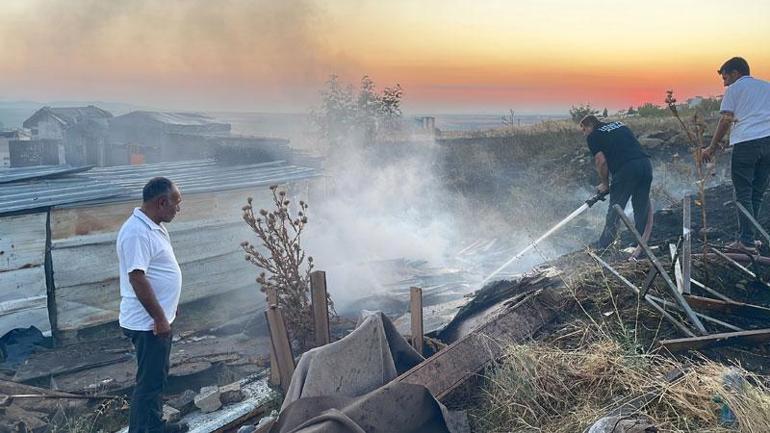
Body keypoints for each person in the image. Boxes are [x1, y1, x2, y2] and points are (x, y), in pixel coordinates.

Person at [117, 177, 187, 433]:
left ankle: (154, 426)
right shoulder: (136, 233)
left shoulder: (153, 226)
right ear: (162, 202)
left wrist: (169, 305)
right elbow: (137, 278)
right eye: (176, 203)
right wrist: (159, 317)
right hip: (146, 323)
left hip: (155, 317)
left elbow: (157, 272)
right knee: (149, 382)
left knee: (156, 377)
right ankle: (143, 430)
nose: (178, 209)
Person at [702, 57, 770, 254]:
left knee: (743, 194)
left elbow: (726, 119)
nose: (724, 84)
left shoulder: (735, 89)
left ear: (735, 73)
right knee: (757, 192)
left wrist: (712, 147)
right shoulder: (766, 87)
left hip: (747, 143)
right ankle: (751, 238)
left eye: (725, 78)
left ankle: (746, 242)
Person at [580, 115, 653, 249]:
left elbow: (601, 161)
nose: (584, 134)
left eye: (583, 130)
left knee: (616, 208)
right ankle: (641, 243)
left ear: (589, 126)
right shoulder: (620, 125)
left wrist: (605, 184)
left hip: (626, 169)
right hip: (645, 164)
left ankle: (605, 245)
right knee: (641, 206)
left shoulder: (593, 136)